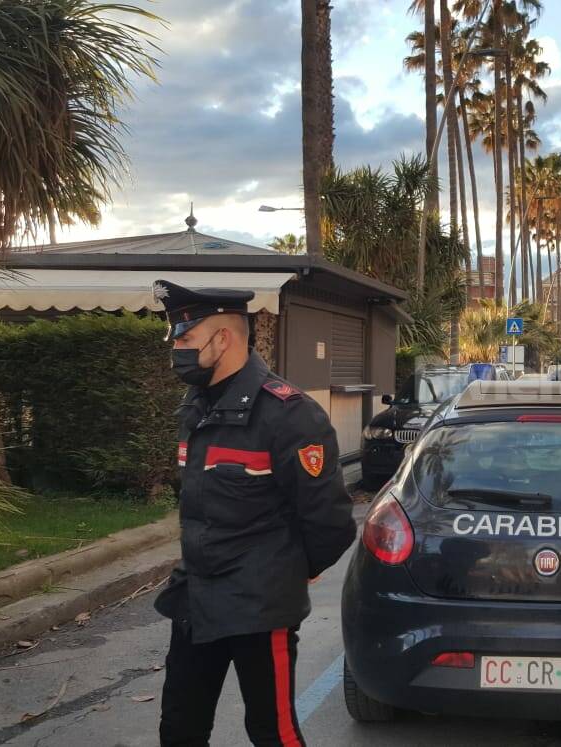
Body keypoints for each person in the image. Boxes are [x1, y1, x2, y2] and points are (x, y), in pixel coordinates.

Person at [151, 280, 356, 746]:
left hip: (260, 608)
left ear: (222, 338)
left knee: (272, 733)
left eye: (184, 340)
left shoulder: (289, 414)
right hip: (197, 597)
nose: (176, 351)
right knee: (179, 728)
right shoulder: (198, 406)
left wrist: (287, 573)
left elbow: (331, 523)